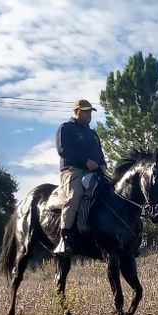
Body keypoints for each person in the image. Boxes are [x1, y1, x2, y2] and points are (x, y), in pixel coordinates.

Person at [54, 98, 106, 255]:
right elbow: (63, 150)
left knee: (112, 191)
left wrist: (103, 164)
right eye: (85, 112)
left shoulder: (93, 133)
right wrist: (85, 161)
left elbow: (100, 152)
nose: (89, 114)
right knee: (75, 195)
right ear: (76, 111)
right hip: (73, 170)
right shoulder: (66, 128)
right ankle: (65, 238)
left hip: (95, 172)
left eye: (90, 111)